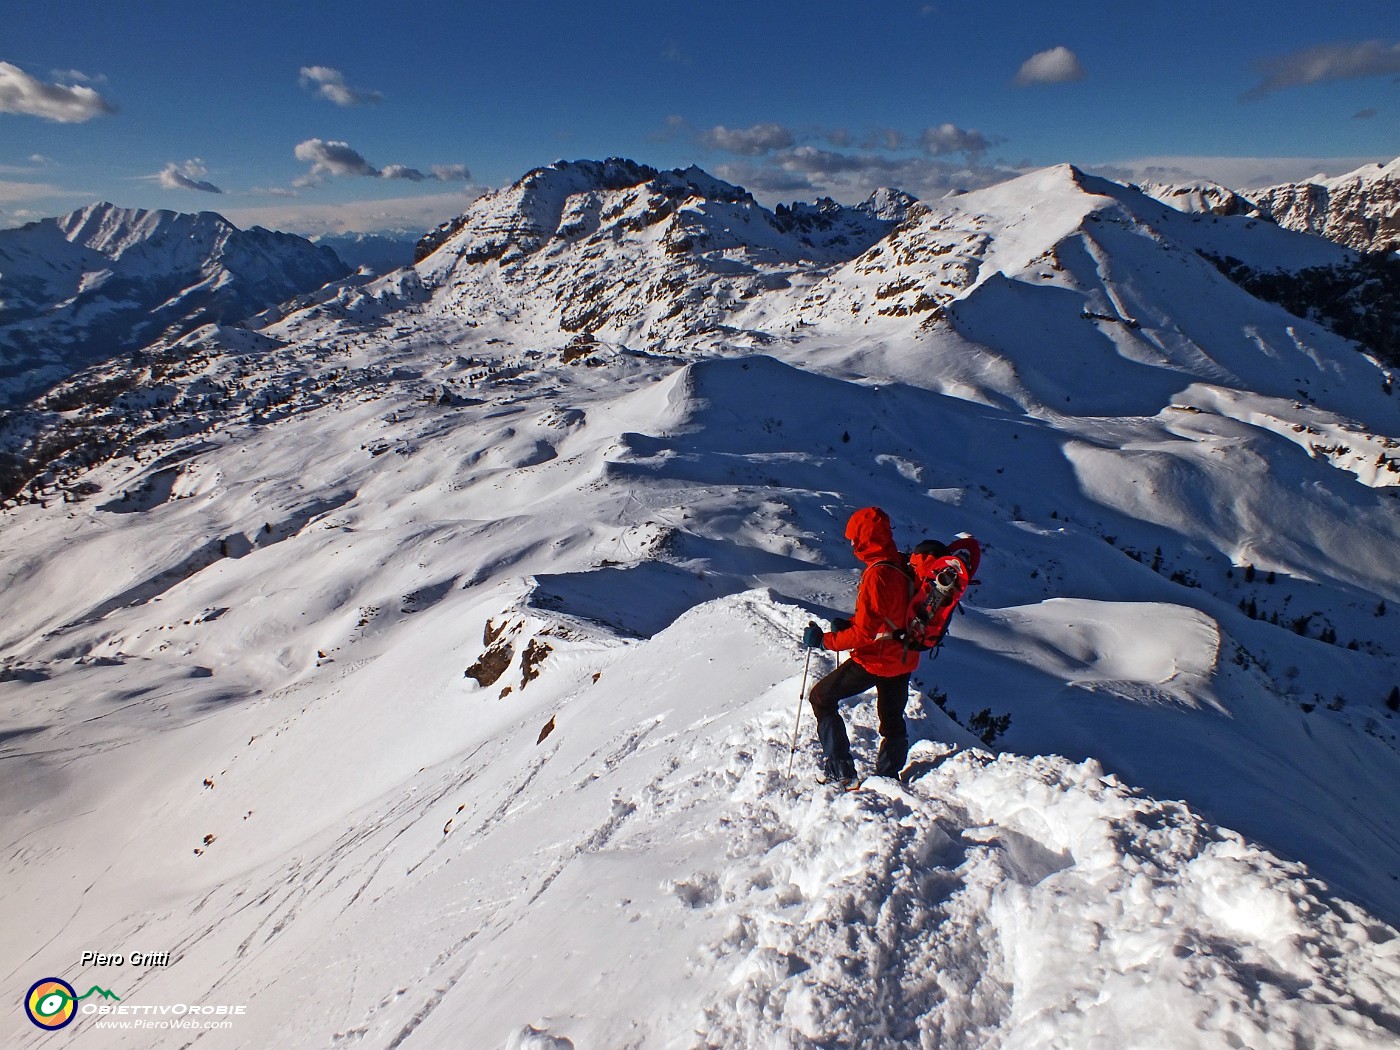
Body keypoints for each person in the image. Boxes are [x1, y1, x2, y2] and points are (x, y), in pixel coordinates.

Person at [801, 506, 923, 785]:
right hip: (903, 656)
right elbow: (888, 615)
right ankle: (888, 776)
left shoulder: (876, 575)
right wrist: (852, 623)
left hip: (876, 660)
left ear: (864, 539)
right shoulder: (902, 565)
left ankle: (840, 769)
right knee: (892, 718)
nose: (852, 544)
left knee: (821, 697)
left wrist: (825, 641)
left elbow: (864, 635)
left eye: (854, 538)